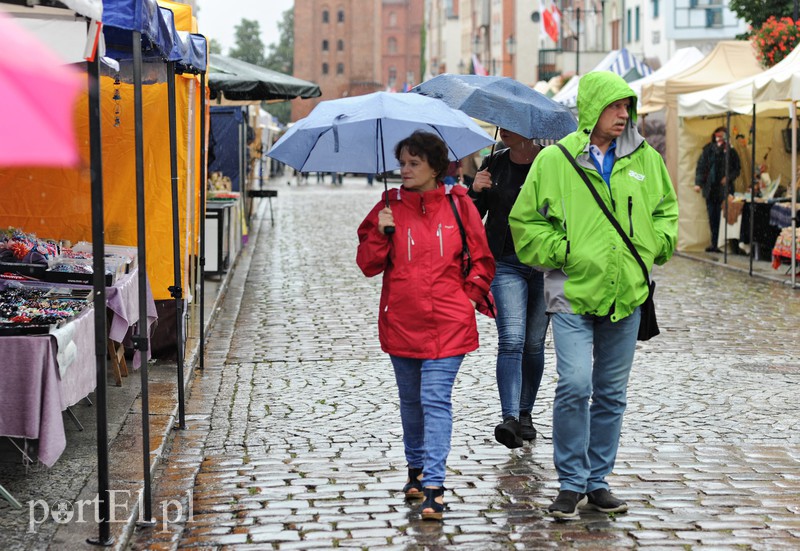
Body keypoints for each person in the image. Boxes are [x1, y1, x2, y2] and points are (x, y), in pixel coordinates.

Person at [508, 71, 678, 519]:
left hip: (627, 293)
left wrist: (654, 244)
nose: (624, 114)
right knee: (575, 384)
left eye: (628, 106)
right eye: (615, 106)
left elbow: (666, 211)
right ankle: (570, 482)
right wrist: (563, 252)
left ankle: (597, 481)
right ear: (592, 108)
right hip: (570, 291)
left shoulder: (646, 159)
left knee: (610, 393)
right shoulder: (556, 160)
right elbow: (525, 222)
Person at [357, 130, 495, 521]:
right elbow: (367, 265)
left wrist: (467, 298)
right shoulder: (387, 206)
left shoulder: (459, 205)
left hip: (449, 325)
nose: (404, 170)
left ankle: (434, 486)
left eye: (414, 163)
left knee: (435, 400)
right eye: (402, 163)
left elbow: (482, 259)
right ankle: (414, 471)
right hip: (402, 320)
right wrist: (382, 235)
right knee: (411, 403)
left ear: (436, 167)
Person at [467, 128, 549, 449]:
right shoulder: (493, 163)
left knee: (533, 343)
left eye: (512, 125)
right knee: (512, 339)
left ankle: (526, 412)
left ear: (529, 130)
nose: (505, 130)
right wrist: (475, 191)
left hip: (545, 264)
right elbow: (473, 219)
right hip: (505, 262)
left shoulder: (551, 162)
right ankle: (510, 417)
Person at [694, 126, 741, 253]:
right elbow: (701, 167)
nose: (719, 138)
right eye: (717, 136)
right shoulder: (708, 150)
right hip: (711, 190)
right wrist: (699, 183)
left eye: (722, 136)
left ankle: (725, 245)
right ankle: (715, 243)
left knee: (724, 218)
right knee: (712, 217)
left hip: (725, 190)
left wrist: (728, 177)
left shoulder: (731, 151)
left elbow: (737, 169)